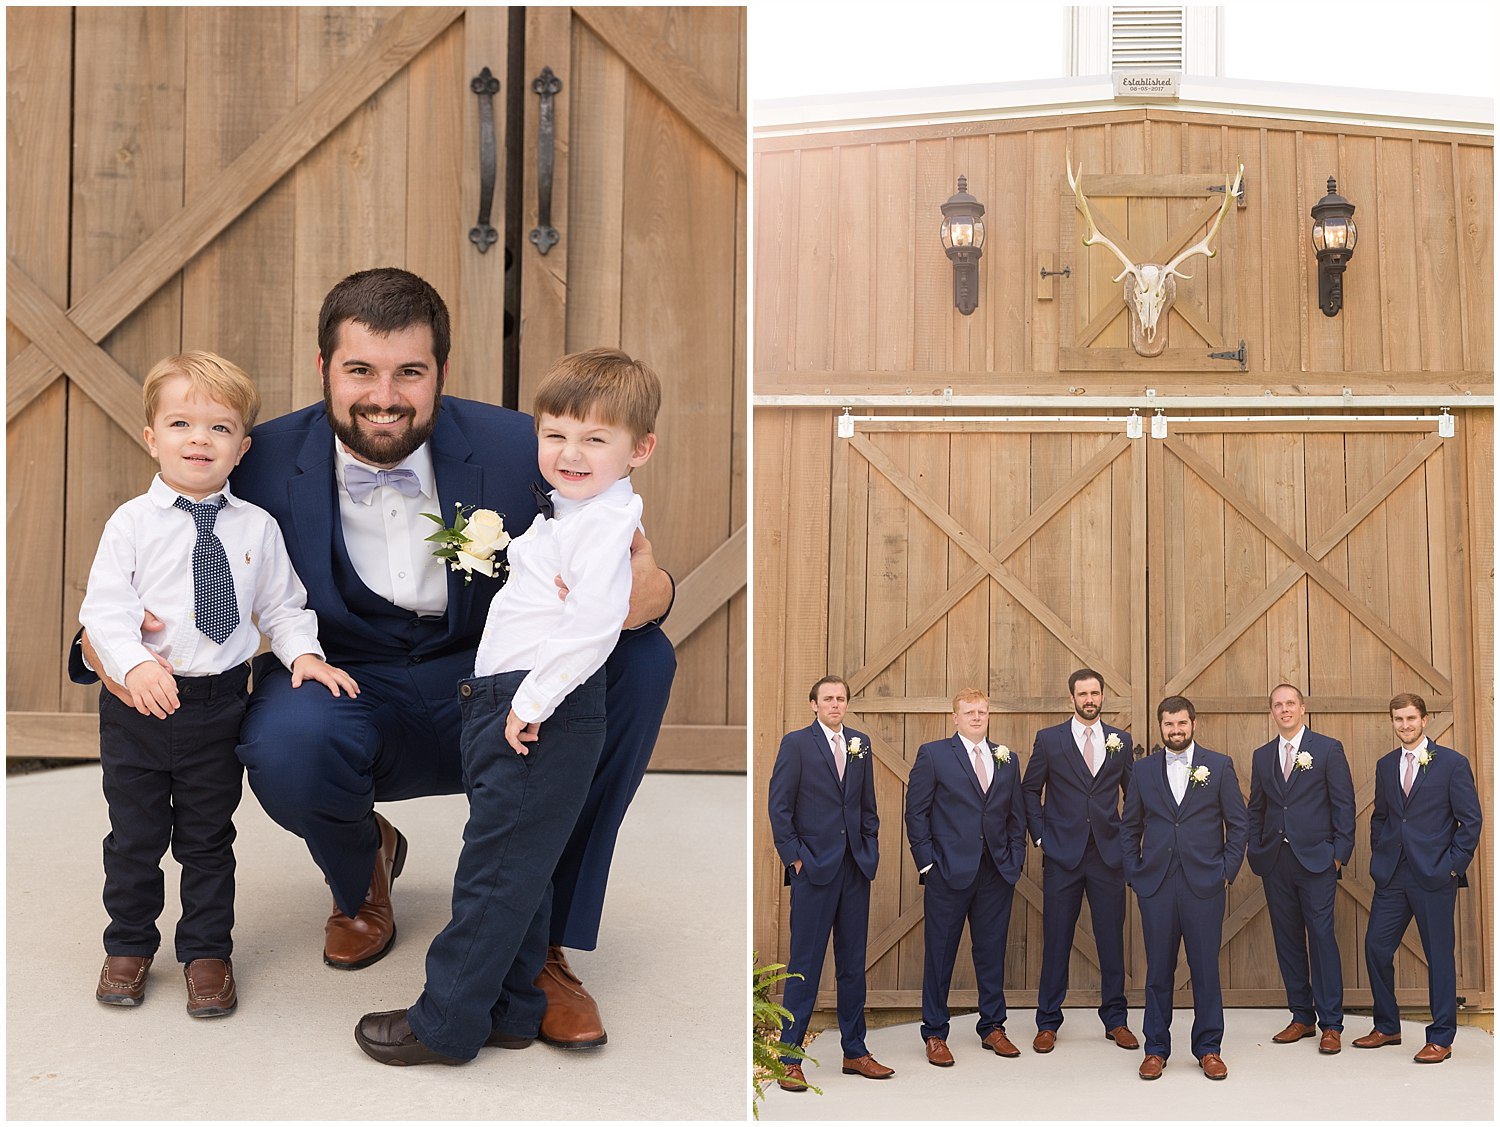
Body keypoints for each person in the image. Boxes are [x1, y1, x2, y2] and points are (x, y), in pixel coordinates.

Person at [75, 269, 675, 1046]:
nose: (383, 395)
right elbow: (149, 563)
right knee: (287, 735)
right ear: (324, 366)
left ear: (442, 374)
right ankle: (362, 874)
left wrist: (654, 592)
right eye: (360, 369)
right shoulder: (249, 455)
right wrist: (104, 650)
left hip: (498, 682)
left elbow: (613, 557)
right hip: (353, 685)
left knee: (639, 664)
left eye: (409, 373)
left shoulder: (524, 445)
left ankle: (541, 939)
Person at [355, 348, 664, 1065]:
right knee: (519, 864)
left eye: (596, 439)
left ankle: (446, 1021)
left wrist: (527, 703)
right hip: (508, 700)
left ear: (638, 449)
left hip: (536, 708)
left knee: (492, 871)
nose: (571, 452)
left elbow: (593, 626)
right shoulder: (570, 516)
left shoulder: (604, 526)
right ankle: (513, 1007)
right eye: (556, 434)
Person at [80, 352, 357, 1018]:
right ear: (152, 438)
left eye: (219, 427)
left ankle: (207, 952)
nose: (199, 439)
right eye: (181, 423)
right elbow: (105, 610)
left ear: (243, 447)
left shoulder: (255, 527)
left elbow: (283, 606)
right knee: (135, 836)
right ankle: (129, 944)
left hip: (217, 704)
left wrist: (304, 654)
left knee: (208, 838)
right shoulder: (131, 526)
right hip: (140, 708)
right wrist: (133, 662)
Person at [767, 676, 893, 1092]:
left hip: (854, 869)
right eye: (828, 699)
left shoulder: (860, 744)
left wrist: (868, 849)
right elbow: (779, 806)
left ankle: (855, 1051)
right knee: (805, 966)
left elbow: (867, 806)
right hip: (814, 872)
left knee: (852, 966)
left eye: (841, 699)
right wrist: (796, 859)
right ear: (813, 704)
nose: (835, 705)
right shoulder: (797, 744)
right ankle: (789, 1057)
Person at [1121, 695, 1246, 1081]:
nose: (1175, 731)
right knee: (1158, 970)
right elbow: (1129, 827)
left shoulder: (1219, 766)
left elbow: (1238, 825)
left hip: (1204, 883)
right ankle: (1155, 1048)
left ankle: (1209, 1048)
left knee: (1205, 968)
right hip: (1156, 885)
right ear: (1161, 727)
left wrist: (1226, 871)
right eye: (1168, 725)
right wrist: (1136, 873)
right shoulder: (1142, 771)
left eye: (1181, 724)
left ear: (1194, 724)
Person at [1354, 693, 1481, 1064]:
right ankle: (1387, 1026)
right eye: (1398, 719)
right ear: (1392, 722)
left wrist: (1452, 866)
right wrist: (1381, 854)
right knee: (1376, 947)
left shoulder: (1452, 764)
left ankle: (1441, 1037)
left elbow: (1470, 821)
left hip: (1435, 875)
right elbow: (1382, 817)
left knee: (1438, 956)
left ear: (1425, 720)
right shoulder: (1385, 764)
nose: (1405, 725)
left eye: (1411, 718)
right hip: (1393, 875)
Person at [904, 689, 1027, 1068]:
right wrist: (928, 864)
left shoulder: (1007, 758)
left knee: (991, 953)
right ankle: (935, 1033)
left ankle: (992, 1026)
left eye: (983, 711)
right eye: (969, 712)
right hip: (948, 871)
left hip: (996, 872)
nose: (977, 717)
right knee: (940, 955)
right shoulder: (934, 754)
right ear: (954, 717)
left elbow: (1015, 815)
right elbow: (916, 813)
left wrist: (1014, 860)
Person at [1020, 668, 1138, 1054]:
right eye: (1082, 694)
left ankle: (1116, 1020)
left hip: (1107, 857)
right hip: (1062, 856)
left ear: (1103, 697)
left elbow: (1134, 797)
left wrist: (1127, 842)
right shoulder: (1049, 740)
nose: (1090, 699)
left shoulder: (1121, 741)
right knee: (1056, 940)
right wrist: (1041, 836)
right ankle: (1048, 1021)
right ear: (1071, 698)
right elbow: (1029, 791)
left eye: (1095, 693)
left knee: (1110, 941)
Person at [1246, 683, 1354, 1054]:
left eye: (1290, 703)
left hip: (1317, 860)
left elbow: (1344, 805)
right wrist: (1255, 848)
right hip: (1276, 860)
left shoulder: (1327, 749)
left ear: (1302, 708)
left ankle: (1331, 1023)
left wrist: (1338, 855)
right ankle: (1301, 1016)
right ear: (1272, 712)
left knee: (1321, 937)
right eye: (1278, 705)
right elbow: (1256, 808)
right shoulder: (1262, 756)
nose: (1284, 710)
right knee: (1287, 939)